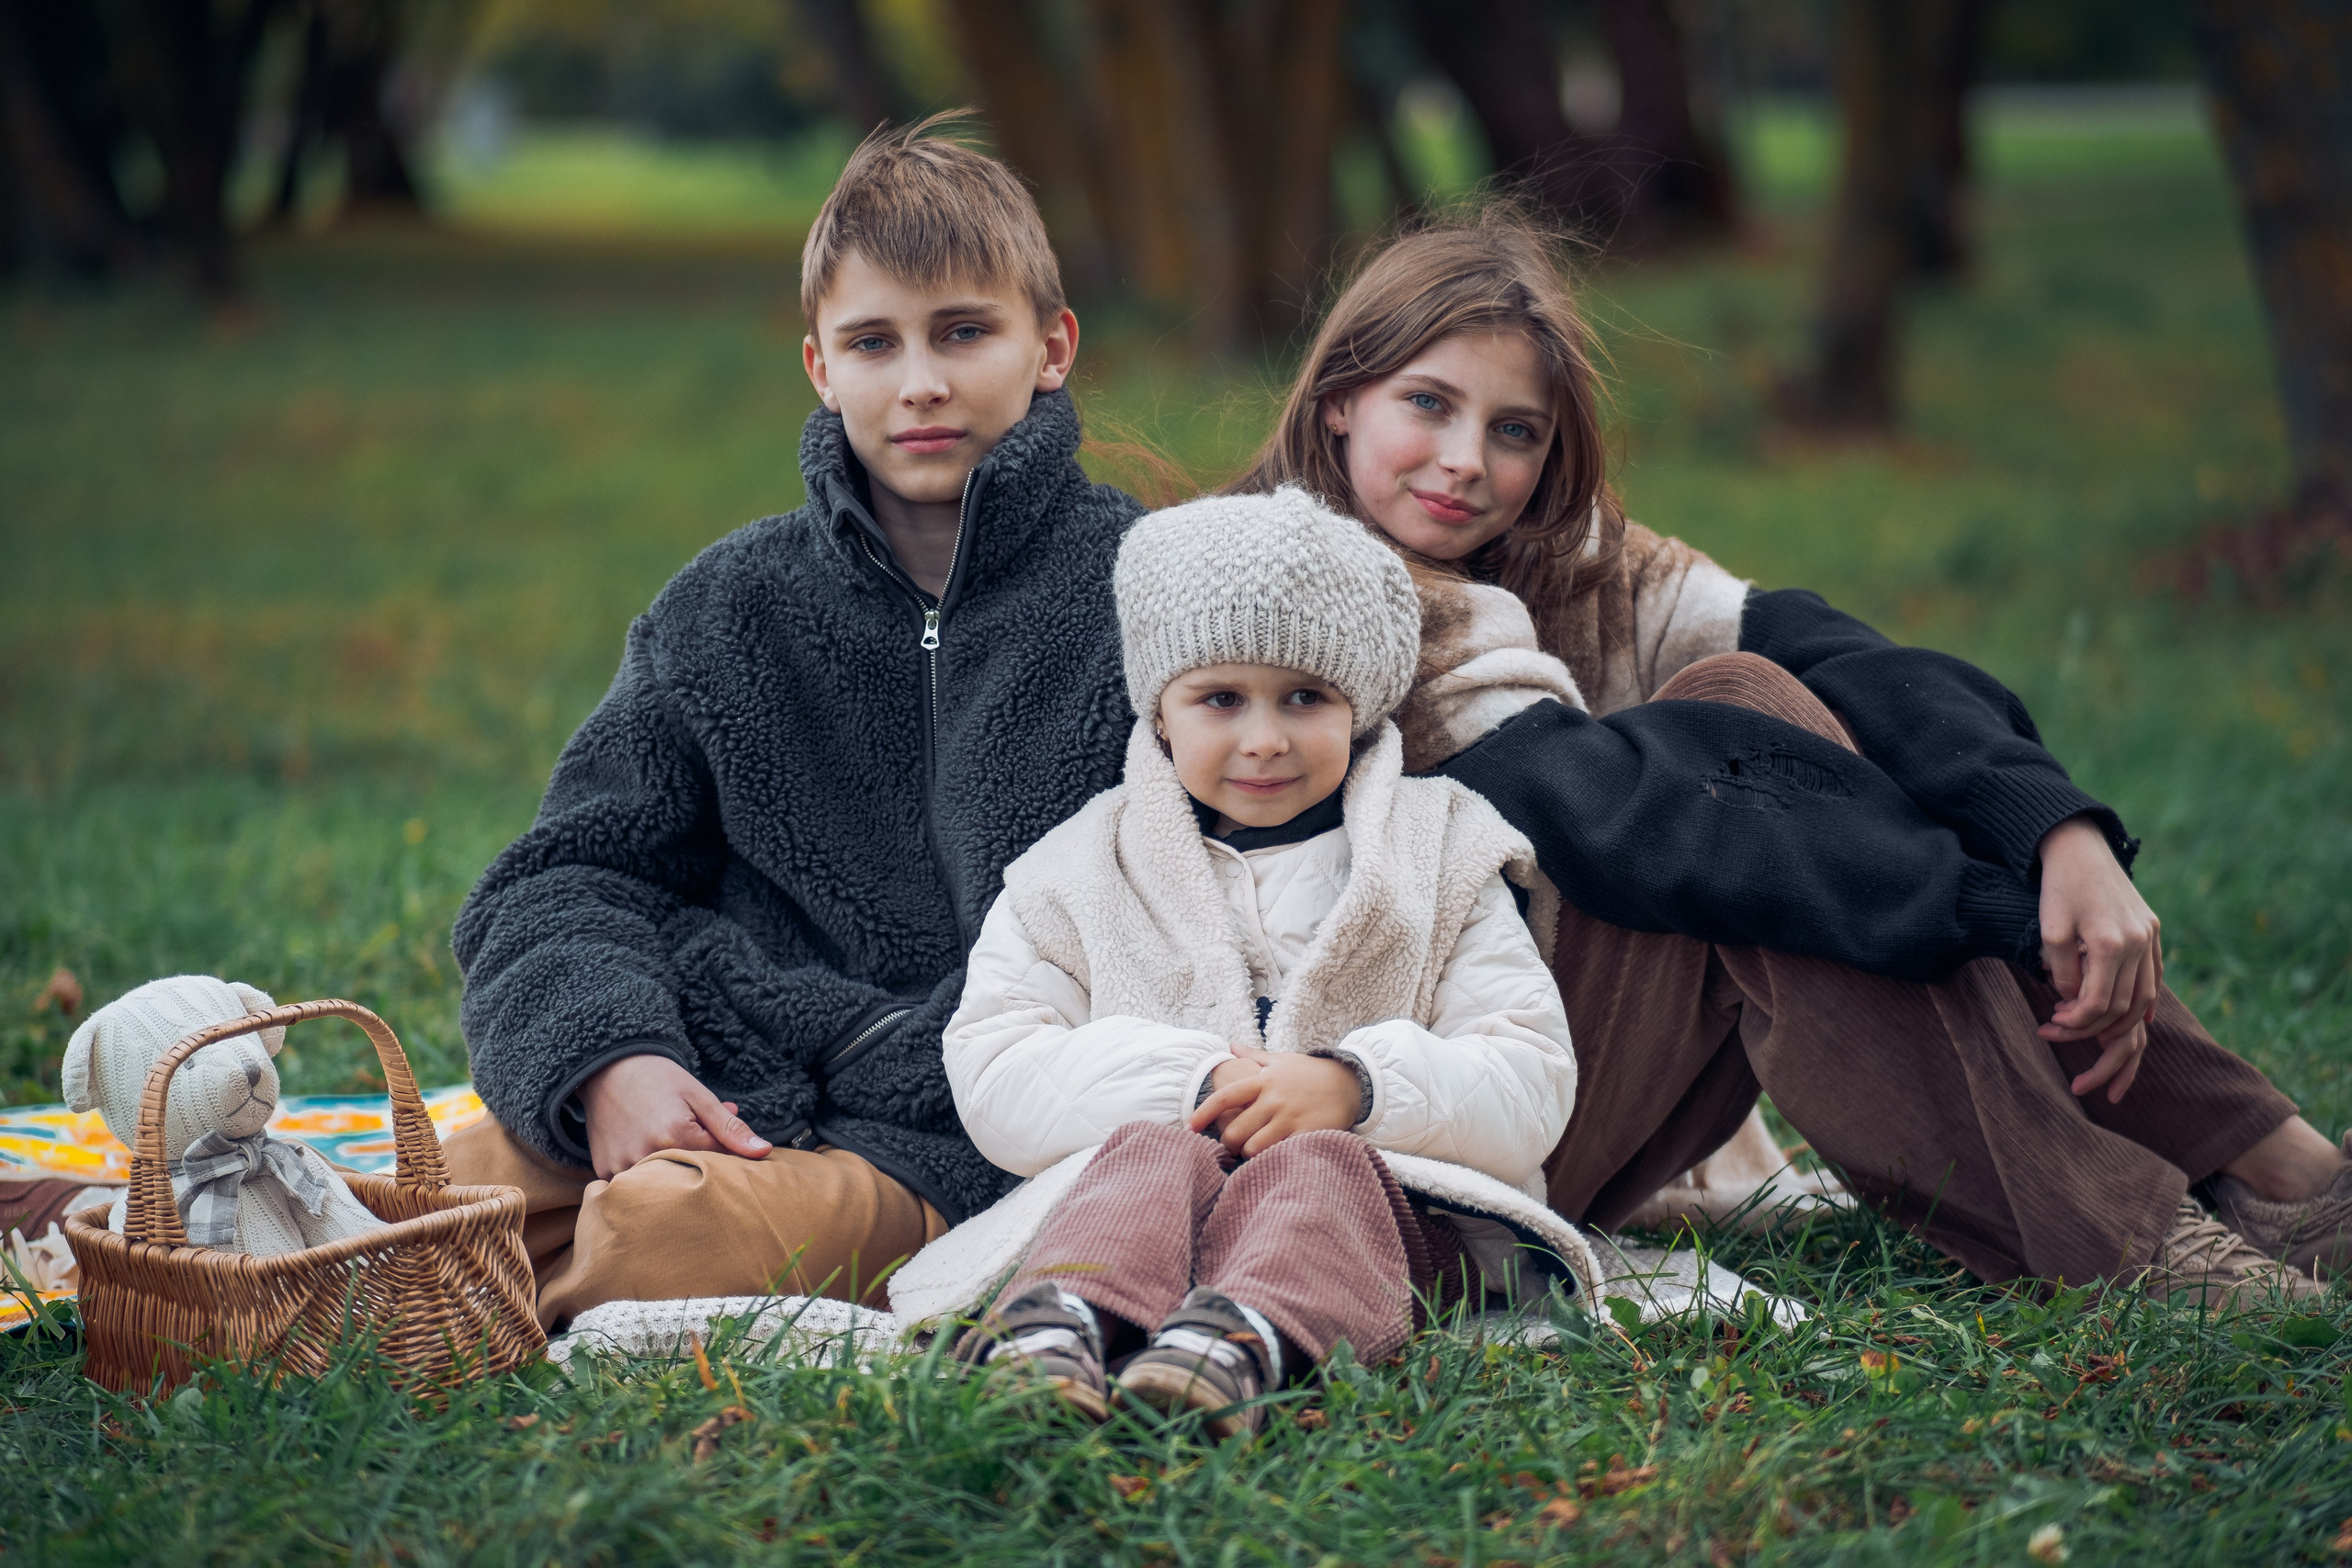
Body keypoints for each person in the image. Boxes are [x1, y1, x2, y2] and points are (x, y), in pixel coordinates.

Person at [1230, 209, 2349, 1303]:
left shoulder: (1558, 563)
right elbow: (1616, 816)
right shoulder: (1305, 593)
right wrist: (2007, 910)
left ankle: (2272, 1164)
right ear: (1339, 398)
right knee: (1752, 841)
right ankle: (2137, 1236)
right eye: (1427, 404)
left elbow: (1835, 654)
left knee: (1761, 699)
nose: (1466, 461)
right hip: (1394, 1139)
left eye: (1514, 429)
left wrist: (2056, 833)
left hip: (1549, 1074)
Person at [444, 118, 1144, 1328]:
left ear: (1052, 347)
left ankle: (440, 1303)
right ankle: (325, 1269)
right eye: (874, 342)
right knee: (439, 1184)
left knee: (663, 1227)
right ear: (820, 366)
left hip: (961, 1138)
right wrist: (612, 1057)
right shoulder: (728, 609)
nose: (920, 381)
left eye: (964, 332)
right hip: (728, 1072)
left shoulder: (1140, 593)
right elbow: (560, 878)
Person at [920, 489, 1584, 1437]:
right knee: (1151, 1152)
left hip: (1386, 1215)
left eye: (1304, 698)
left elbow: (1527, 1072)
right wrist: (1189, 1081)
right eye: (1221, 699)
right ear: (1161, 708)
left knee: (1317, 1166)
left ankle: (1244, 1341)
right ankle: (1064, 1319)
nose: (1264, 739)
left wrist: (1359, 1088)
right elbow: (994, 1064)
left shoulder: (1439, 855)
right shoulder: (1078, 869)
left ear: (1359, 704)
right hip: (1146, 1209)